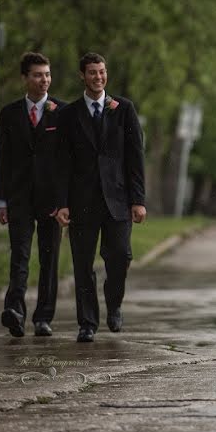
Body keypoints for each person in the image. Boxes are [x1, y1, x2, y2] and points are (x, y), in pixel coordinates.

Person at [55, 53, 147, 343]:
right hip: (82, 200)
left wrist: (138, 200)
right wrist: (62, 202)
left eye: (102, 72)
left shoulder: (124, 109)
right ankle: (87, 323)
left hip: (118, 199)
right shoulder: (69, 114)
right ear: (82, 76)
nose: (98, 77)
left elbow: (135, 158)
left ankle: (114, 304)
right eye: (92, 72)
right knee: (82, 264)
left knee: (120, 257)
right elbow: (62, 162)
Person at [0, 52, 66, 338]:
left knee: (49, 259)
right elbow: (3, 158)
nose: (44, 80)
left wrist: (65, 202)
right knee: (20, 256)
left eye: (47, 74)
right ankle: (15, 311)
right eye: (38, 75)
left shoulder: (62, 111)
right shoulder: (10, 114)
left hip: (51, 200)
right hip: (19, 197)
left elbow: (67, 160)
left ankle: (43, 318)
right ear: (25, 78)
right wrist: (1, 201)